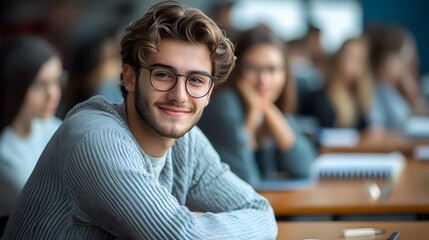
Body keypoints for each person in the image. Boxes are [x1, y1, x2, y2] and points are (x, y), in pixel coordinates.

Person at [2, 2, 277, 239]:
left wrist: (194, 226)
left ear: (209, 93)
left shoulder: (186, 142)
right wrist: (191, 225)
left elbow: (260, 211)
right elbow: (185, 236)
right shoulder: (93, 138)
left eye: (196, 80)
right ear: (130, 77)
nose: (179, 96)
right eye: (163, 75)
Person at [199, 24, 316, 187]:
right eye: (252, 68)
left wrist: (268, 111)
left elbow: (305, 168)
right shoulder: (224, 105)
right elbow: (243, 181)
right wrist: (250, 122)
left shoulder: (273, 106)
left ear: (285, 74)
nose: (264, 80)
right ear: (236, 70)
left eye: (272, 69)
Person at [0, 35, 63, 235]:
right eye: (39, 84)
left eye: (57, 80)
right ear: (14, 85)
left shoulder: (51, 126)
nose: (53, 93)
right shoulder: (5, 156)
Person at [300, 37, 373, 130]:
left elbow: (365, 129)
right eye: (349, 56)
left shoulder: (359, 98)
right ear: (338, 58)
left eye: (360, 59)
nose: (353, 63)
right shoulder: (320, 99)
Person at [367, 25, 426, 130]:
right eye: (402, 58)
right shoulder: (375, 88)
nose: (405, 65)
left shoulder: (397, 88)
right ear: (386, 59)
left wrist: (413, 98)